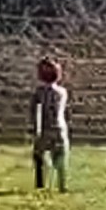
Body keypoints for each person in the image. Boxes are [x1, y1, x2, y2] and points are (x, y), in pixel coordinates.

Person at [30, 56, 69, 192]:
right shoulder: (62, 92)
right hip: (60, 128)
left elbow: (36, 112)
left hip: (45, 129)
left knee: (38, 155)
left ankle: (40, 183)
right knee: (60, 158)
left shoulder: (39, 93)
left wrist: (36, 130)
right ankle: (62, 185)